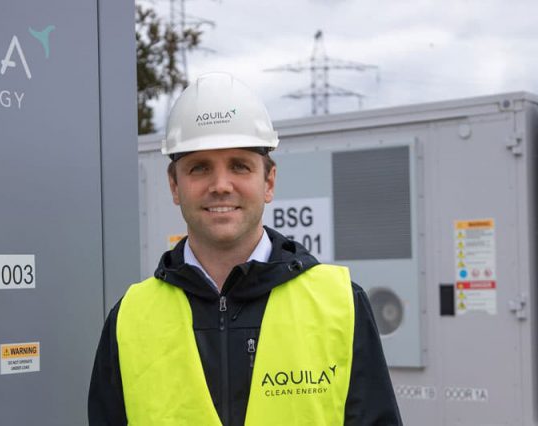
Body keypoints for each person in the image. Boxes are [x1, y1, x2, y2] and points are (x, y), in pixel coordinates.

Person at [88, 72, 402, 425]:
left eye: (239, 166)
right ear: (174, 185)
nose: (221, 185)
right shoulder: (129, 319)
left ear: (268, 181)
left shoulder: (340, 304)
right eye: (199, 168)